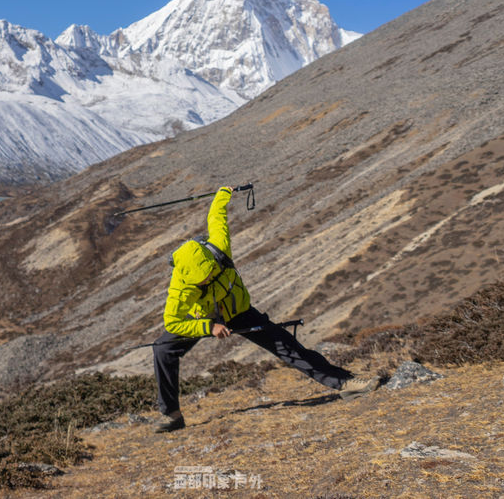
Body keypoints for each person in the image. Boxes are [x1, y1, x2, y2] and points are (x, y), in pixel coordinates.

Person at [152, 185, 379, 432]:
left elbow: (216, 217)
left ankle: (345, 383)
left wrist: (223, 194)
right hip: (203, 317)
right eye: (201, 281)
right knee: (163, 349)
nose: (206, 280)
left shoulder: (219, 247)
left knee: (286, 346)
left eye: (209, 275)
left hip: (238, 311)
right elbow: (173, 322)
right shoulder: (180, 287)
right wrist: (209, 326)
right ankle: (171, 415)